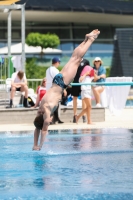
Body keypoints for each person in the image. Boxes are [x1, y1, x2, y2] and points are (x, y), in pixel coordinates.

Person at [33, 29, 100, 151]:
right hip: (57, 81)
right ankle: (86, 39)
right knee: (74, 58)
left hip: (62, 83)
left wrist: (40, 146)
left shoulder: (46, 110)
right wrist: (34, 144)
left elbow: (43, 129)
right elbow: (37, 127)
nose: (49, 120)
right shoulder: (40, 110)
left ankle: (90, 40)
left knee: (77, 59)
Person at [46, 57, 65, 124]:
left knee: (53, 104)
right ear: (57, 62)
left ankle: (56, 118)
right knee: (54, 104)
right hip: (53, 89)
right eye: (59, 63)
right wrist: (63, 89)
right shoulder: (54, 70)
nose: (59, 64)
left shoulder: (48, 69)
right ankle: (53, 119)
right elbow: (59, 79)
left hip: (48, 88)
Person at [71, 58, 90, 123]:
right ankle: (75, 115)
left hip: (83, 81)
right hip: (76, 81)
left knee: (83, 98)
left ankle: (83, 115)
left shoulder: (86, 61)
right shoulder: (73, 61)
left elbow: (89, 70)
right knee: (75, 97)